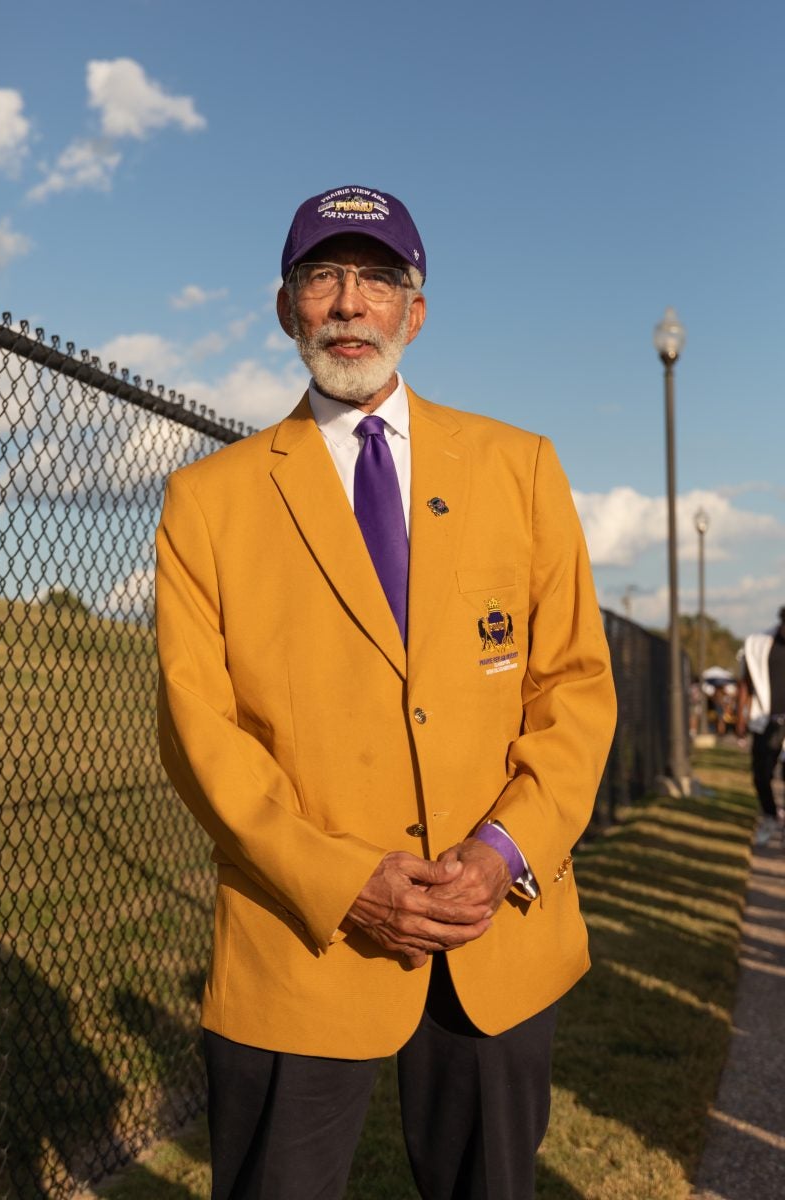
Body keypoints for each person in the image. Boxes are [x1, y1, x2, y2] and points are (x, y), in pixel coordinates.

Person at [155, 184, 617, 1200]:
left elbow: (574, 693)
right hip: (298, 945)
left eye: (377, 279)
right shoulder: (207, 501)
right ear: (286, 308)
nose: (348, 304)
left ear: (416, 311)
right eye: (321, 276)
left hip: (489, 940)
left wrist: (502, 855)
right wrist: (343, 879)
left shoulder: (519, 467)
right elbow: (201, 734)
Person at [737, 607, 785, 847]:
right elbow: (745, 683)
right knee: (761, 775)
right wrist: (740, 718)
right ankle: (770, 815)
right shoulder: (760, 646)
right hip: (766, 720)